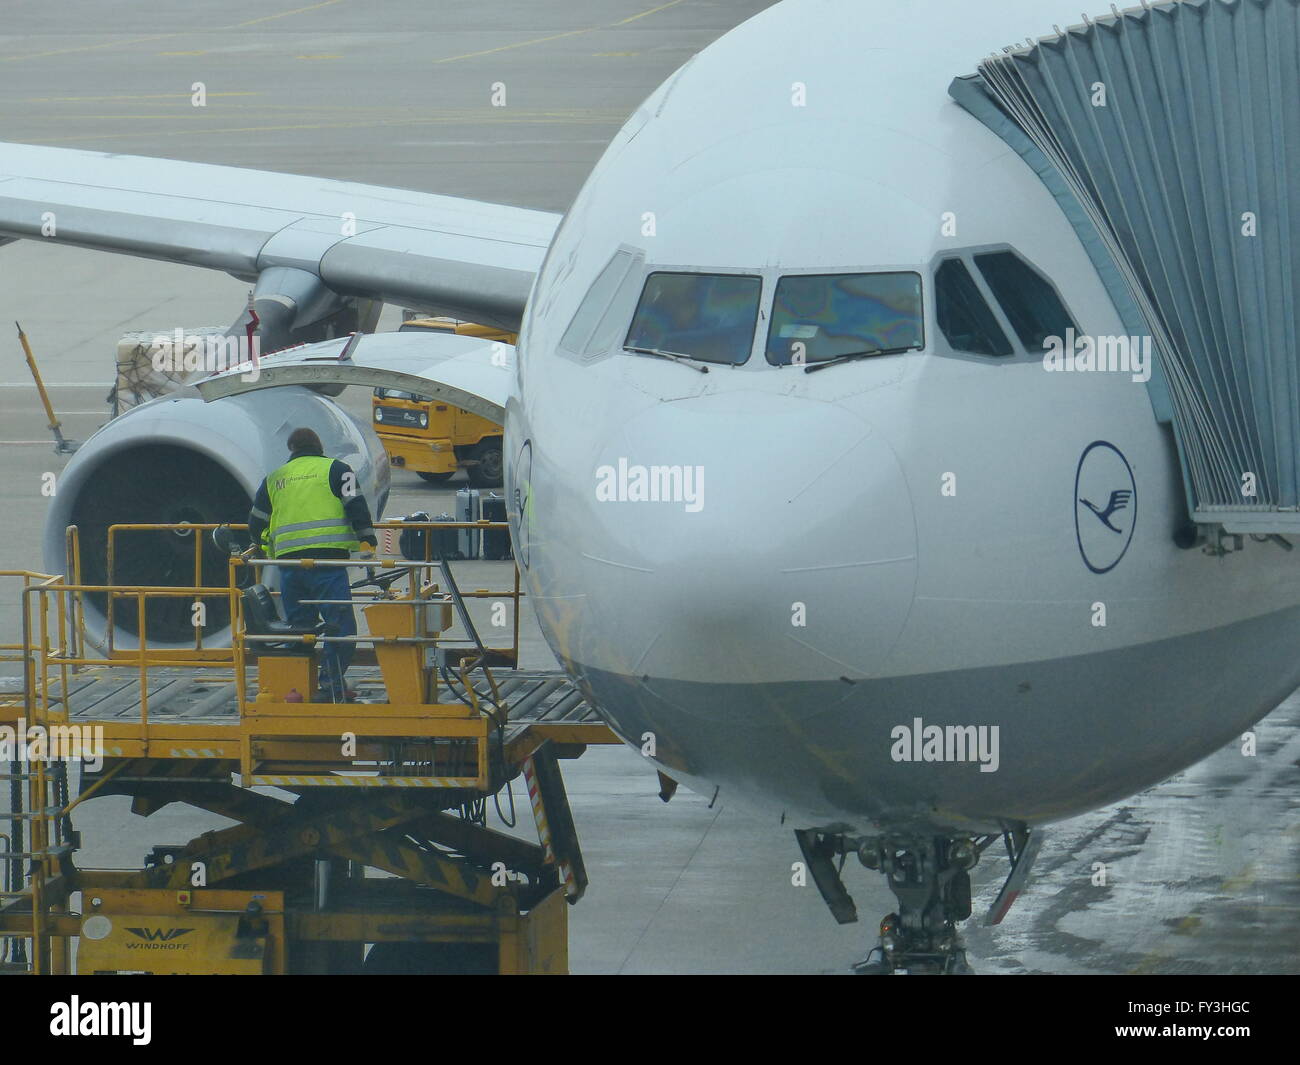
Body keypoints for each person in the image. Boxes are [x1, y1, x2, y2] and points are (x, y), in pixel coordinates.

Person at [247, 427, 378, 701]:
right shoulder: (337, 469)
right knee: (340, 628)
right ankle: (330, 684)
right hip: (326, 563)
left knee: (299, 629)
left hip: (290, 566)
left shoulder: (274, 478)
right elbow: (356, 506)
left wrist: (266, 546)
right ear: (319, 447)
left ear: (292, 449)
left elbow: (256, 522)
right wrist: (367, 542)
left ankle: (297, 688)